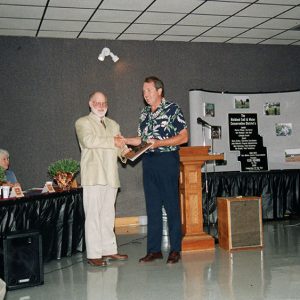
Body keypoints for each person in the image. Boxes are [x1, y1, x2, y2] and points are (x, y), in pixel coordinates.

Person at [124, 76, 188, 264]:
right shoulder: (144, 113)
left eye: (149, 90)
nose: (145, 95)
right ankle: (154, 250)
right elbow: (142, 140)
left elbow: (184, 137)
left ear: (159, 91)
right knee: (152, 207)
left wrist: (158, 143)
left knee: (171, 206)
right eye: (143, 91)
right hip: (149, 162)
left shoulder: (173, 109)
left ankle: (176, 249)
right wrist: (125, 140)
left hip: (167, 160)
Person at [75, 91, 129, 267]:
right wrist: (115, 142)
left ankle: (109, 250)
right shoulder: (82, 122)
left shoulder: (114, 124)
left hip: (111, 176)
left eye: (104, 103)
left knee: (108, 215)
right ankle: (94, 254)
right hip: (93, 176)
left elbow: (120, 146)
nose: (101, 106)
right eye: (97, 103)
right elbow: (89, 141)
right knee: (93, 216)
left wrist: (127, 153)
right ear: (90, 103)